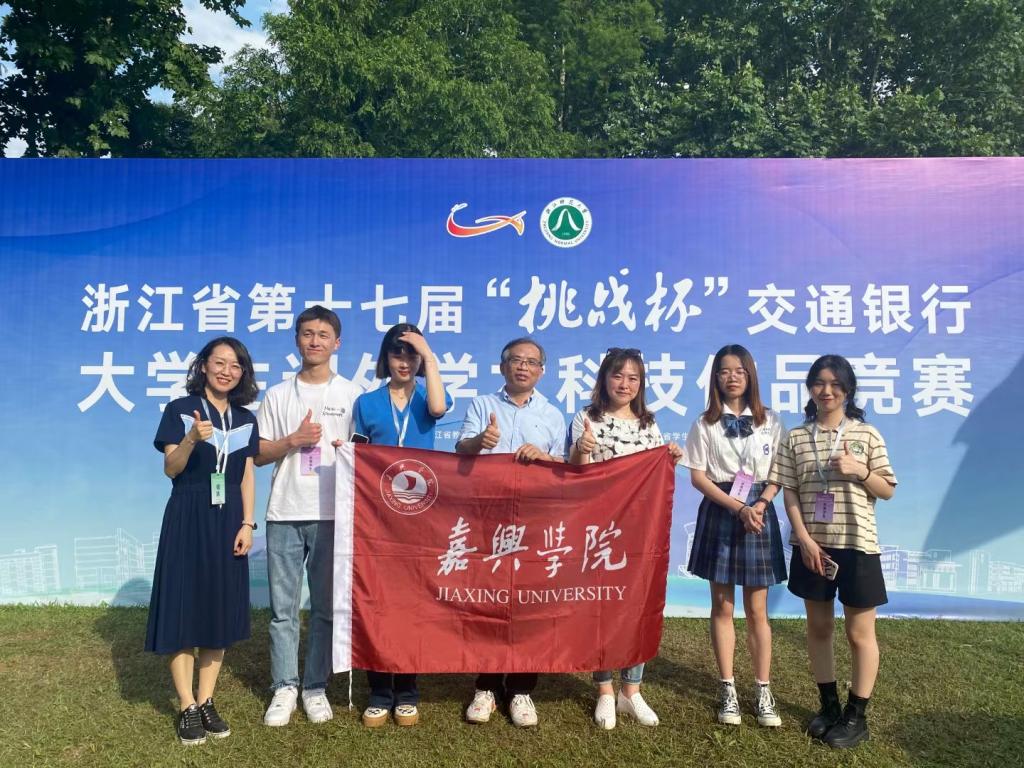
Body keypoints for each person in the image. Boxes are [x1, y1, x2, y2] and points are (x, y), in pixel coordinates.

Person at [767, 354, 897, 749]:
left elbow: (887, 490)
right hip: (813, 546)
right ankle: (829, 707)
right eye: (819, 383)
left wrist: (861, 471)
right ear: (810, 388)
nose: (827, 391)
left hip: (858, 545)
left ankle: (857, 716)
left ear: (848, 389)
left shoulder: (867, 434)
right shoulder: (796, 437)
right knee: (819, 628)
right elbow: (790, 493)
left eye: (836, 384)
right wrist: (804, 540)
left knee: (860, 633)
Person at [146, 337, 260, 746]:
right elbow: (171, 468)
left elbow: (246, 474)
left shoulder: (245, 417)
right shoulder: (180, 409)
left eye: (235, 365)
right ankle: (186, 704)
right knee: (183, 605)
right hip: (188, 512)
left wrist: (247, 523)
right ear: (204, 366)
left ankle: (207, 699)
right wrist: (192, 438)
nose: (227, 370)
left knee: (218, 607)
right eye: (219, 362)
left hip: (229, 518)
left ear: (243, 373)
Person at [256, 306, 363, 727]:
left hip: (333, 515)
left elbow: (365, 451)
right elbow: (259, 454)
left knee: (324, 608)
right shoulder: (278, 395)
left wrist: (347, 452)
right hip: (284, 511)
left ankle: (315, 686)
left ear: (337, 343)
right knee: (283, 610)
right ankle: (284, 686)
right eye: (307, 333)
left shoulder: (352, 394)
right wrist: (293, 440)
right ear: (296, 340)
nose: (314, 341)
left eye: (323, 335)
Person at [567, 347, 683, 730]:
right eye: (617, 375)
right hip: (598, 528)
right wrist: (581, 450)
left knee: (637, 604)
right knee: (602, 605)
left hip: (639, 529)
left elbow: (656, 475)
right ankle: (604, 689)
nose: (625, 384)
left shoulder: (649, 423)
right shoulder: (586, 418)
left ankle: (631, 691)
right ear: (604, 378)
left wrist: (670, 458)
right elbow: (575, 474)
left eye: (633, 378)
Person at [455, 337, 567, 727]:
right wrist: (479, 441)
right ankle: (486, 686)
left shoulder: (553, 414)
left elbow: (565, 468)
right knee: (488, 598)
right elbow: (462, 449)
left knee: (529, 602)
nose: (523, 367)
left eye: (531, 362)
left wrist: (545, 457)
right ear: (503, 367)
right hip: (489, 516)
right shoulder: (482, 405)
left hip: (534, 519)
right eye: (516, 360)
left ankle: (521, 688)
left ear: (541, 371)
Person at [680, 344, 788, 728]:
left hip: (758, 510)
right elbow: (698, 477)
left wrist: (760, 504)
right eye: (724, 371)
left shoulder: (771, 421)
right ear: (715, 378)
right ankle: (727, 688)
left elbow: (779, 471)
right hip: (722, 509)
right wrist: (737, 507)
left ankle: (762, 690)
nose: (732, 377)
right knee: (722, 606)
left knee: (758, 610)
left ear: (750, 375)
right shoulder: (704, 423)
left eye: (739, 370)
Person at [353, 323, 452, 727]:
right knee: (376, 599)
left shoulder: (429, 396)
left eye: (412, 355)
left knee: (413, 601)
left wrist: (428, 354)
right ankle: (379, 690)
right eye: (398, 353)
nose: (405, 362)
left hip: (419, 515)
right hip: (377, 516)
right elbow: (359, 453)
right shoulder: (366, 402)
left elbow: (439, 410)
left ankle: (408, 690)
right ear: (386, 358)